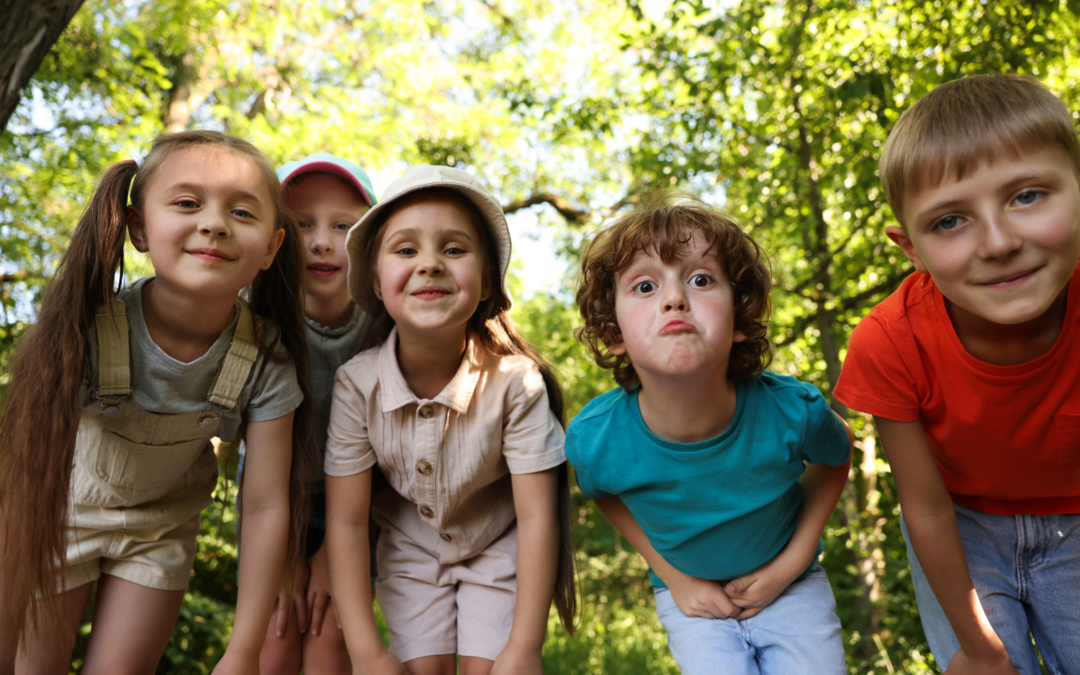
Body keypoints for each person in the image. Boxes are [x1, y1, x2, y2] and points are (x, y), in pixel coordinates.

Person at [0, 130, 316, 675]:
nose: (214, 223)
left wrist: (244, 650)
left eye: (242, 212)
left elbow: (264, 505)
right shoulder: (86, 329)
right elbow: (25, 464)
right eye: (188, 203)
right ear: (139, 227)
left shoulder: (266, 360)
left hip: (161, 530)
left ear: (271, 247)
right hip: (55, 513)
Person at [834, 74, 1080, 675]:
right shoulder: (890, 342)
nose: (997, 243)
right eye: (949, 221)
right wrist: (977, 647)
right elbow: (926, 510)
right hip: (962, 526)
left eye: (1027, 196)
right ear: (910, 247)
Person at [566, 194, 852, 675]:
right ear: (613, 332)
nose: (674, 298)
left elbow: (836, 455)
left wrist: (793, 561)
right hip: (689, 601)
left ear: (739, 318)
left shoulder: (791, 411)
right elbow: (603, 494)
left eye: (701, 280)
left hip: (793, 587)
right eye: (644, 286)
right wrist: (675, 579)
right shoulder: (596, 440)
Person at [323, 165, 576, 675]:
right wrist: (366, 652)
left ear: (485, 282)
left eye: (454, 249)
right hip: (411, 547)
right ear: (376, 280)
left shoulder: (516, 383)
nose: (430, 265)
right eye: (406, 250)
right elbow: (347, 521)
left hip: (500, 544)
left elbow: (536, 518)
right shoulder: (357, 384)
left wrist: (524, 648)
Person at [247, 153, 378, 675]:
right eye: (302, 225)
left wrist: (332, 559)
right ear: (277, 240)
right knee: (273, 635)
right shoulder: (257, 326)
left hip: (364, 500)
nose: (322, 240)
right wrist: (280, 560)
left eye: (343, 226)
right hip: (272, 496)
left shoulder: (385, 330)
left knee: (328, 638)